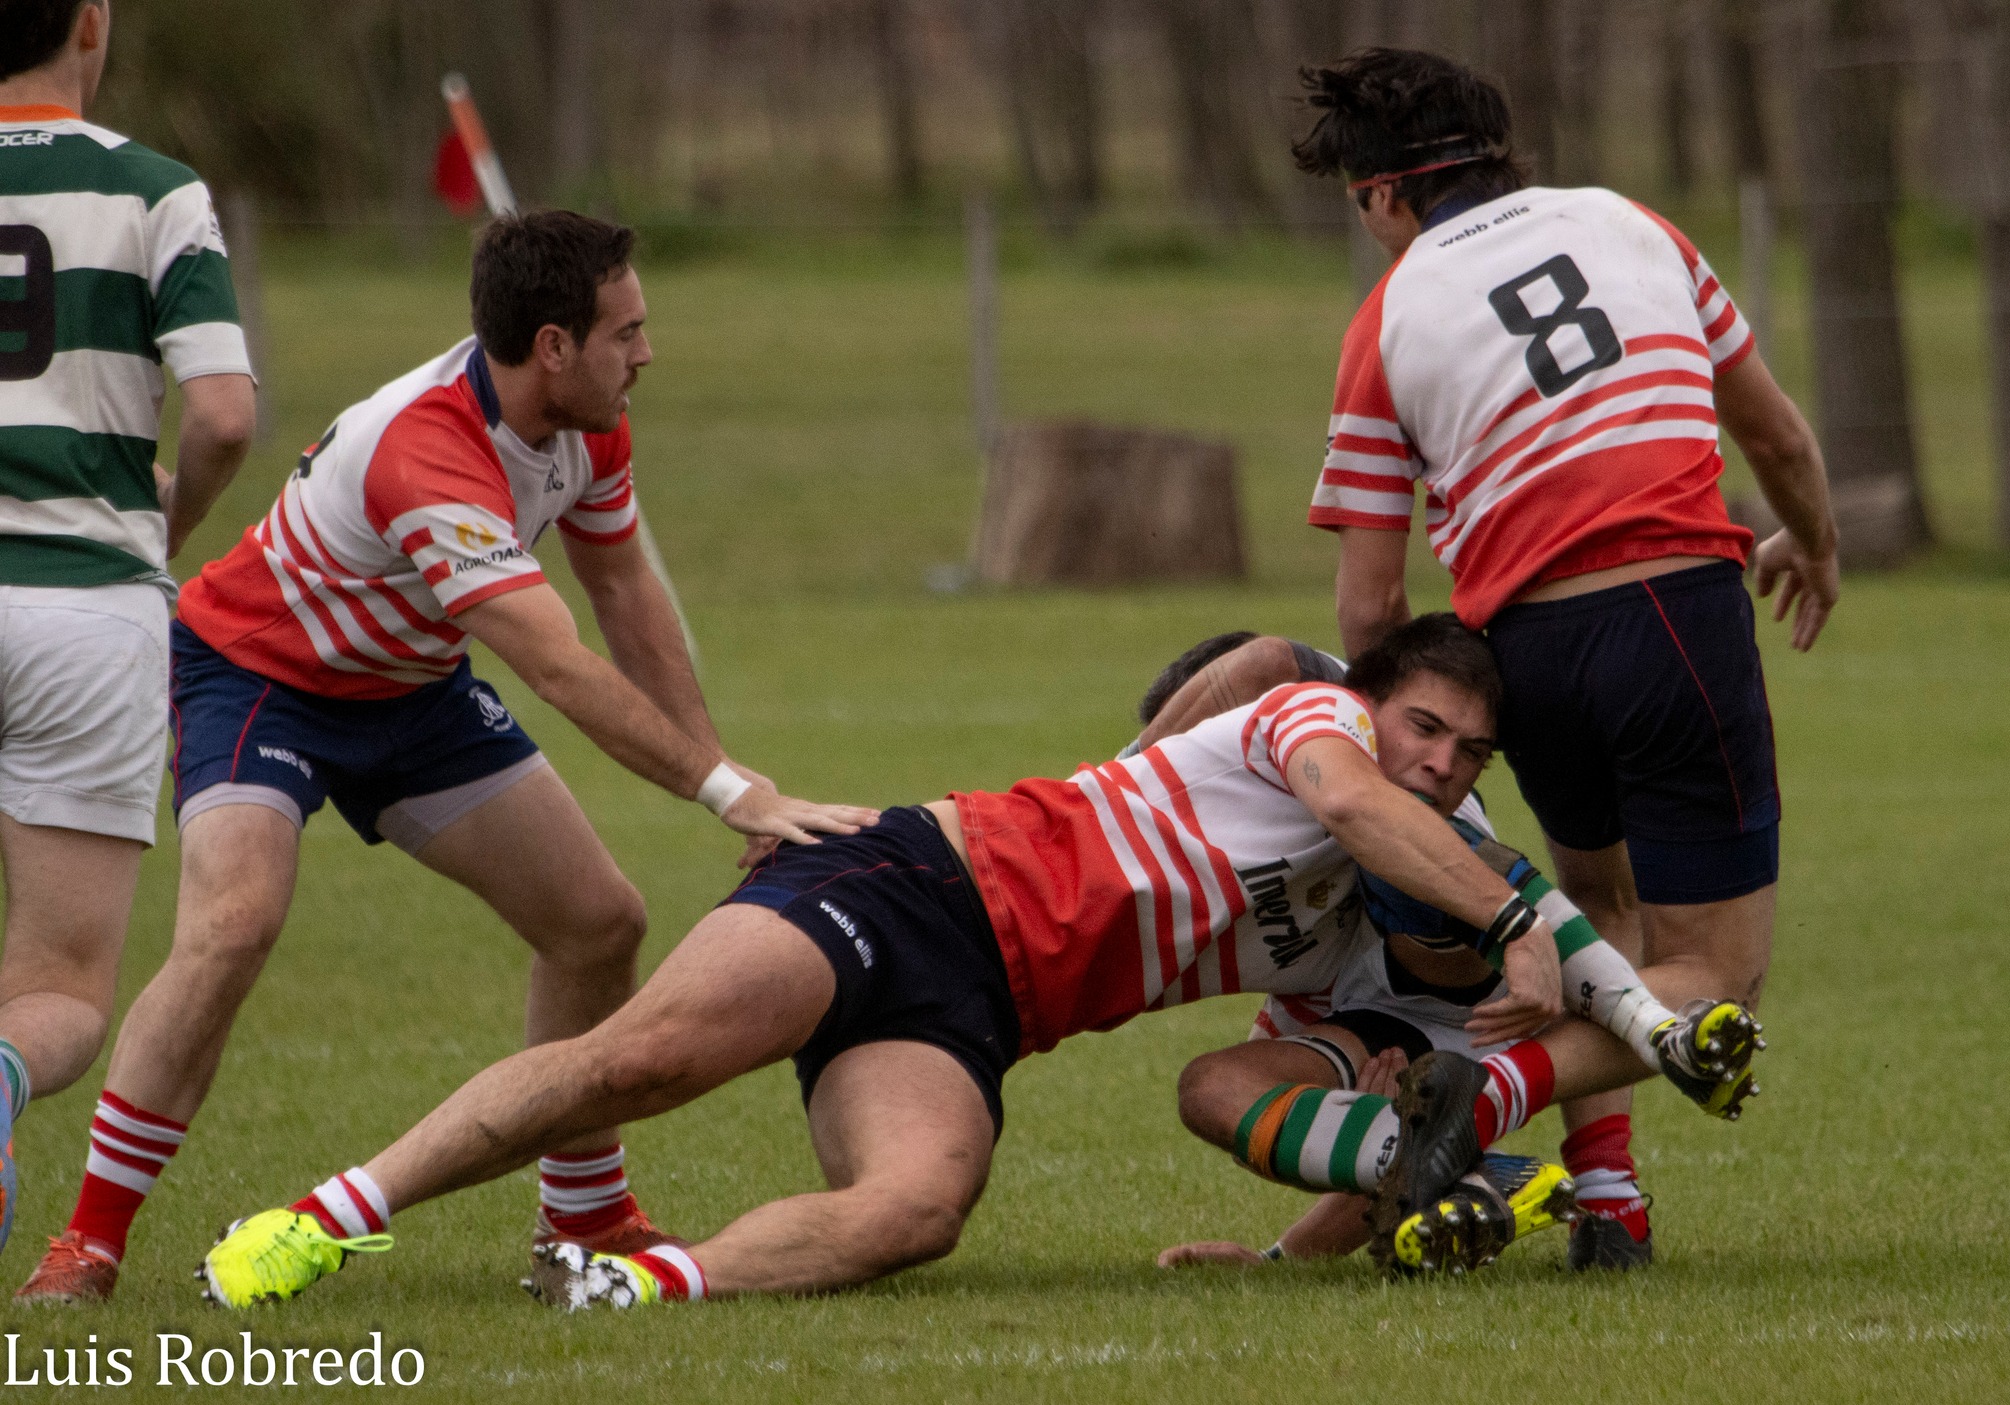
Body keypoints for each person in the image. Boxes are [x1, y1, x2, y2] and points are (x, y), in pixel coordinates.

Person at [193, 626, 1747, 1310]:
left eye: (1470, 754)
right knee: (649, 1058)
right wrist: (1530, 919)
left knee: (918, 1210)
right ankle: (329, 1221)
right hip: (907, 885)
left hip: (979, 1010)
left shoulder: (1383, 879)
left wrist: (1294, 1259)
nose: (1442, 763)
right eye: (1429, 729)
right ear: (1371, 701)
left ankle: (631, 1283)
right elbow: (1333, 758)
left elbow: (1398, 1021)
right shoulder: (1313, 731)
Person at [14, 210, 876, 1304]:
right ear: (553, 346)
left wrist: (723, 763)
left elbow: (621, 591)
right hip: (254, 673)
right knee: (235, 923)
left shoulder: (591, 423)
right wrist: (725, 793)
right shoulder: (425, 447)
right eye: (626, 332)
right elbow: (557, 667)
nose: (646, 353)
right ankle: (86, 1241)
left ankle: (583, 1208)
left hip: (411, 691)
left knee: (598, 920)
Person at [1293, 47, 1839, 1267]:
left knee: (1598, 915)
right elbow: (1779, 438)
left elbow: (1371, 598)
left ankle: (1610, 1206)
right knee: (1715, 980)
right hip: (1674, 621)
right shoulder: (1632, 225)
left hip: (1519, 651)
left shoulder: (1383, 320)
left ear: (1382, 192)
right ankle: (1485, 1101)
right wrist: (1813, 543)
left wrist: (1380, 764)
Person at [1141, 622, 1756, 1273]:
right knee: (1215, 1089)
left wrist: (1120, 782)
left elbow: (1266, 661)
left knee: (1402, 844)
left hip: (1488, 959)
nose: (1443, 761)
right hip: (1413, 1022)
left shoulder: (1343, 741)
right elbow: (1383, 1148)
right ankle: (1493, 1177)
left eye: (1469, 749)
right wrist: (1286, 1255)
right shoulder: (1251, 882)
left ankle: (1643, 1046)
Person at [0, 0, 255, 1255]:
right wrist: (164, 523)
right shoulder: (155, 190)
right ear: (89, 22)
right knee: (55, 984)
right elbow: (218, 415)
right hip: (83, 609)